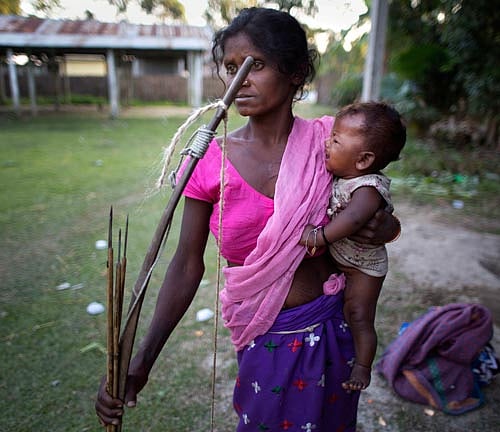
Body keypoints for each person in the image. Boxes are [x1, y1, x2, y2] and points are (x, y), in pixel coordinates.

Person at [95, 7, 400, 431]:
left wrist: (387, 225)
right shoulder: (209, 162)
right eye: (231, 67)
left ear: (294, 72)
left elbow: (375, 205)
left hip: (332, 327)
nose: (239, 80)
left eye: (254, 66)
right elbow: (186, 263)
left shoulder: (329, 145)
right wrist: (142, 360)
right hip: (264, 337)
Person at [299, 101, 406, 392]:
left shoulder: (368, 188)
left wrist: (319, 237)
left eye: (335, 140)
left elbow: (354, 218)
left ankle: (362, 367)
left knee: (359, 314)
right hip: (343, 259)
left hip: (363, 267)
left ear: (362, 160)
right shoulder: (344, 175)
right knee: (345, 311)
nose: (326, 143)